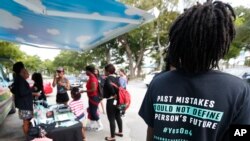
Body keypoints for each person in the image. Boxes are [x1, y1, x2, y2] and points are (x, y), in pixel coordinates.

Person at [139, 1, 250, 141]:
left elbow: (152, 131)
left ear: (179, 40)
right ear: (221, 43)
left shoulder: (159, 83)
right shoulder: (238, 90)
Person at [12, 61, 33, 136]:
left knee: (26, 122)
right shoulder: (20, 80)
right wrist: (30, 89)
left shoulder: (17, 78)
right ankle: (27, 137)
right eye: (24, 67)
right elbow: (22, 92)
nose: (25, 69)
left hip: (23, 104)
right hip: (24, 105)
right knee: (26, 123)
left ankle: (27, 135)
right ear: (21, 69)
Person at [103, 64, 123, 141]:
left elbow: (109, 86)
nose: (104, 72)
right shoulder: (117, 78)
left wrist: (113, 94)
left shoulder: (108, 79)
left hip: (111, 100)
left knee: (111, 118)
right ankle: (120, 132)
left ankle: (112, 137)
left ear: (108, 71)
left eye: (105, 71)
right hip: (119, 100)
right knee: (118, 116)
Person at [82, 65, 103, 131]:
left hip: (94, 97)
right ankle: (91, 125)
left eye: (86, 71)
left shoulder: (93, 78)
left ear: (89, 71)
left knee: (93, 112)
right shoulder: (91, 77)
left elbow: (93, 89)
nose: (85, 72)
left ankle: (100, 125)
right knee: (91, 111)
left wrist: (84, 91)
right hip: (91, 97)